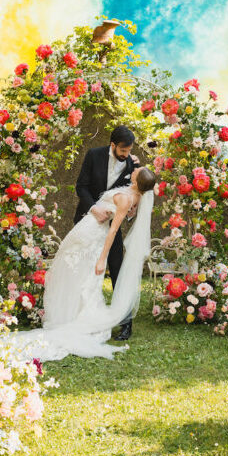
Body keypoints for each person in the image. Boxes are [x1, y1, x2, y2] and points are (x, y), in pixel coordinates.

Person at [6, 166, 156, 362]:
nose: (136, 169)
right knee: (73, 273)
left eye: (139, 170)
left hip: (92, 235)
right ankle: (69, 314)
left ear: (137, 181)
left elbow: (113, 231)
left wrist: (103, 259)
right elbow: (130, 207)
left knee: (84, 277)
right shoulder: (134, 194)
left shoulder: (128, 198)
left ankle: (77, 318)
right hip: (87, 229)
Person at [75, 125, 140, 340]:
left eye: (129, 151)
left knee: (117, 268)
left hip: (112, 227)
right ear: (112, 145)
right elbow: (81, 186)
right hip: (88, 221)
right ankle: (78, 316)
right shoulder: (93, 155)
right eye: (122, 150)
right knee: (82, 268)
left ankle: (125, 322)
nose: (126, 155)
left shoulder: (131, 164)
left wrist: (130, 211)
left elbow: (130, 199)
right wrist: (94, 208)